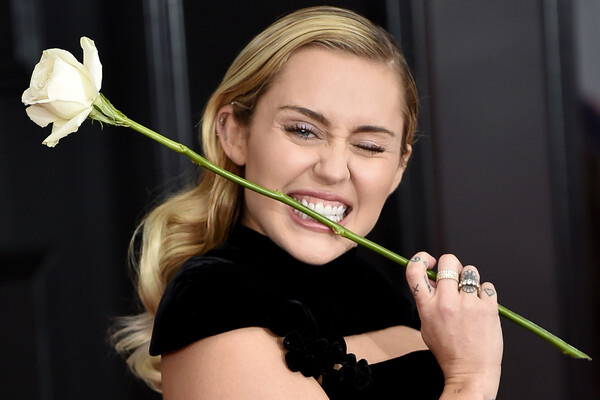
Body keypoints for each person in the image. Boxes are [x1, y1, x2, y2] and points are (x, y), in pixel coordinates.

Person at [112, 6, 503, 399]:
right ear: (234, 134)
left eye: (369, 146)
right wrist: (471, 377)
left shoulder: (390, 295)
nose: (333, 170)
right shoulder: (210, 300)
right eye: (303, 130)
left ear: (400, 167)